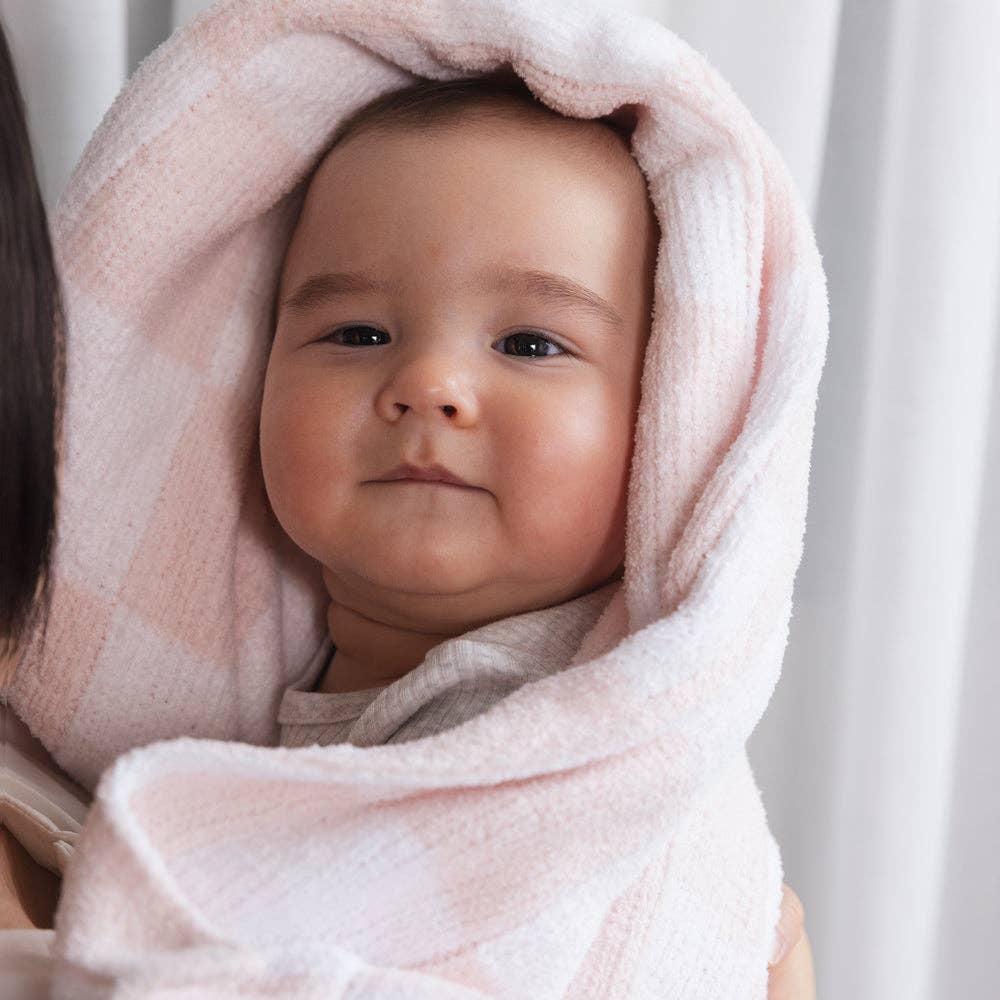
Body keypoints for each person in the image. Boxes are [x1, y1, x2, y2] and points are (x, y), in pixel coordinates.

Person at [0, 17, 814, 1000]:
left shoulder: (559, 747)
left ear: (670, 424)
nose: (429, 384)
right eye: (357, 331)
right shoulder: (295, 711)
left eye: (529, 344)